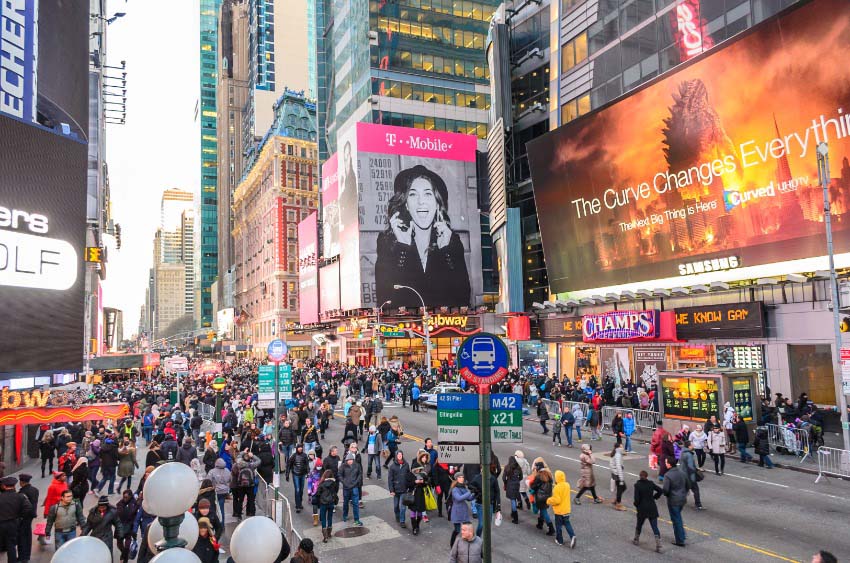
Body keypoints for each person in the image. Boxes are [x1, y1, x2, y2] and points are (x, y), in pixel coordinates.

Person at [374, 164, 471, 307]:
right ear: (406, 204)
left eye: (428, 193)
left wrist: (446, 251)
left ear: (437, 204)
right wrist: (403, 247)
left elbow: (463, 300)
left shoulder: (452, 242)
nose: (421, 202)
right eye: (413, 194)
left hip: (443, 327)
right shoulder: (387, 242)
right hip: (406, 327)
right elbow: (385, 299)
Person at [0, 476, 32, 563]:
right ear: (14, 486)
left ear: (4, 486)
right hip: (13, 524)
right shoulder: (20, 496)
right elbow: (28, 508)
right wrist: (20, 517)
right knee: (11, 546)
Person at [632, 470, 663, 552]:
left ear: (640, 476)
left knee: (639, 524)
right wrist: (655, 497)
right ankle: (658, 544)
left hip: (642, 509)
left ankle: (636, 539)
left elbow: (636, 499)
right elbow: (660, 490)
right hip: (652, 507)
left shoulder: (637, 485)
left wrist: (636, 505)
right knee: (655, 527)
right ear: (646, 476)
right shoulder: (651, 484)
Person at [661, 459, 688, 547]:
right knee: (678, 517)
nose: (665, 464)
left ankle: (680, 539)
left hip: (673, 500)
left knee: (676, 520)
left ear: (669, 465)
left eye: (666, 462)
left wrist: (668, 495)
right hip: (682, 498)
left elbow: (665, 490)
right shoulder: (682, 472)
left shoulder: (668, 475)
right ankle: (682, 534)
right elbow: (688, 484)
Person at [547, 470, 577, 549]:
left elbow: (557, 500)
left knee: (558, 525)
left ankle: (559, 540)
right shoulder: (567, 485)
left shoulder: (557, 488)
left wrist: (549, 500)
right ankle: (572, 535)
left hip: (559, 511)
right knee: (567, 523)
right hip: (566, 509)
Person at [529, 461, 555, 536]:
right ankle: (540, 524)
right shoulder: (549, 474)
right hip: (548, 496)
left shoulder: (538, 476)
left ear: (538, 468)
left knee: (544, 512)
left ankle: (551, 528)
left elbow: (533, 486)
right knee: (543, 510)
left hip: (540, 497)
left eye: (536, 467)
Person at [231, 450, 260, 519]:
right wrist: (252, 456)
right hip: (250, 485)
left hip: (241, 485)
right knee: (251, 499)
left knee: (240, 500)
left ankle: (238, 513)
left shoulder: (239, 464)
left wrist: (243, 452)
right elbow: (259, 461)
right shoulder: (251, 465)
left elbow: (238, 457)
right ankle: (251, 512)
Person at [448, 474, 475, 547]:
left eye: (463, 477)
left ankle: (467, 543)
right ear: (456, 479)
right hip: (456, 511)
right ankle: (452, 544)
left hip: (464, 511)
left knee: (467, 528)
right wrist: (469, 492)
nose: (462, 478)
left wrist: (475, 494)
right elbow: (459, 498)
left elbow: (469, 498)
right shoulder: (454, 489)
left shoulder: (464, 488)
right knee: (457, 530)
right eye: (460, 477)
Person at [17, 474, 38, 562]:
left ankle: (22, 557)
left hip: (23, 517)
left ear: (21, 482)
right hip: (31, 515)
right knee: (28, 535)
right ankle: (27, 556)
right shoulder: (35, 490)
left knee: (21, 537)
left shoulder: (22, 493)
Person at [387, 450, 411, 528]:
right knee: (396, 506)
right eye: (398, 454)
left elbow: (409, 477)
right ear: (396, 456)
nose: (400, 456)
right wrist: (391, 490)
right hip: (396, 490)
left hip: (404, 489)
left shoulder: (406, 465)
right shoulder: (392, 466)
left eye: (401, 454)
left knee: (403, 507)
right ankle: (397, 515)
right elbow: (390, 479)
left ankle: (402, 521)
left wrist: (410, 487)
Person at [340, 453, 364, 526]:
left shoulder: (357, 465)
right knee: (345, 502)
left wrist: (356, 482)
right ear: (346, 460)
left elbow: (360, 474)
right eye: (349, 460)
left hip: (354, 487)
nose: (350, 461)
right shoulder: (343, 466)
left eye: (351, 460)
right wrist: (344, 482)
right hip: (346, 487)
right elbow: (339, 475)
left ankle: (356, 519)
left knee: (355, 504)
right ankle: (345, 515)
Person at [115, 490, 139, 563]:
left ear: (130, 496)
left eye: (126, 497)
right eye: (124, 497)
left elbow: (131, 513)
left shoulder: (134, 504)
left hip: (129, 527)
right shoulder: (120, 503)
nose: (125, 498)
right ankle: (125, 554)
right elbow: (118, 512)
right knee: (119, 544)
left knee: (127, 546)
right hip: (120, 526)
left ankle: (124, 559)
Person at [679, 441, 704, 510]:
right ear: (689, 446)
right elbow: (691, 467)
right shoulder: (689, 455)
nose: (693, 446)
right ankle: (698, 505)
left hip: (683, 475)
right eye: (692, 445)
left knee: (685, 489)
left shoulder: (682, 452)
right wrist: (693, 478)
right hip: (689, 476)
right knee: (695, 489)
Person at [287, 444, 311, 513]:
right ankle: (298, 506)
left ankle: (299, 502)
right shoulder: (294, 456)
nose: (300, 449)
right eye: (299, 447)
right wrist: (287, 474)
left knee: (301, 490)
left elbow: (307, 465)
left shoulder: (304, 455)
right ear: (297, 448)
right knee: (297, 490)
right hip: (295, 475)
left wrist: (308, 472)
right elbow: (289, 465)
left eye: (301, 447)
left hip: (302, 474)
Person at [316, 469, 339, 543]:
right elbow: (335, 491)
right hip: (331, 503)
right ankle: (329, 533)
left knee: (323, 519)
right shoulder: (334, 483)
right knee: (330, 517)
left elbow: (318, 493)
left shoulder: (322, 484)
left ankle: (325, 536)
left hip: (323, 503)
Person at [502, 455, 524, 524]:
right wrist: (517, 480)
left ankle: (515, 517)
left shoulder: (507, 467)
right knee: (514, 498)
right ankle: (512, 513)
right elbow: (521, 477)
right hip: (516, 485)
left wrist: (506, 482)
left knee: (513, 500)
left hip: (510, 485)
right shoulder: (518, 467)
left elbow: (503, 477)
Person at [610, 441, 627, 511]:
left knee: (622, 488)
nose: (622, 447)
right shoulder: (618, 455)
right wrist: (621, 478)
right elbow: (618, 467)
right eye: (621, 446)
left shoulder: (618, 453)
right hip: (617, 474)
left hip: (615, 473)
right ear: (619, 447)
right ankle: (618, 504)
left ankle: (616, 500)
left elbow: (624, 453)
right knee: (621, 488)